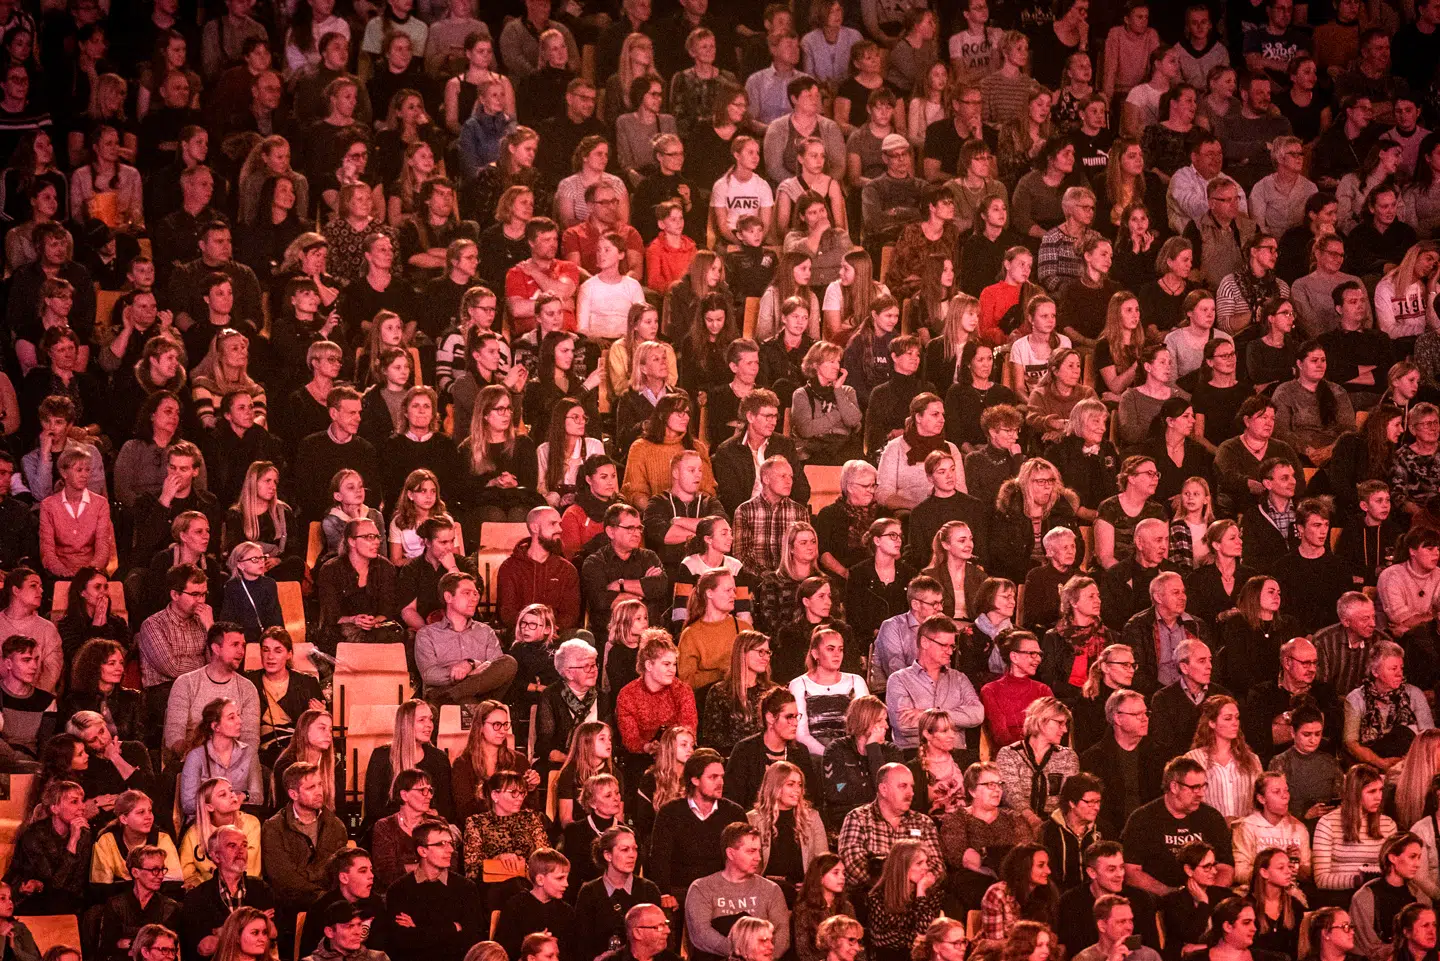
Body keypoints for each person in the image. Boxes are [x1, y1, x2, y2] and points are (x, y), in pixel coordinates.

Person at [1120, 756, 1236, 894]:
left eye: (1203, 786)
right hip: (1159, 898)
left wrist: (1208, 895)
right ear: (1174, 787)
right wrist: (1172, 895)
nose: (1201, 794)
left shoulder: (1212, 817)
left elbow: (1226, 868)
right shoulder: (1142, 819)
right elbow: (1132, 872)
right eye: (1194, 787)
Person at [384, 818, 482, 961]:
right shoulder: (399, 890)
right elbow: (402, 944)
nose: (450, 850)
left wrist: (418, 929)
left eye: (450, 843)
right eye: (442, 844)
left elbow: (472, 942)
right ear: (423, 851)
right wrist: (453, 928)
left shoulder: (466, 888)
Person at [1314, 763, 1397, 891]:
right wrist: (1359, 880)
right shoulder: (1327, 823)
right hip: (1341, 894)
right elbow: (1321, 879)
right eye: (1372, 791)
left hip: (1376, 892)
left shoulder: (1388, 824)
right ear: (1355, 793)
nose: (1379, 797)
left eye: (1381, 790)